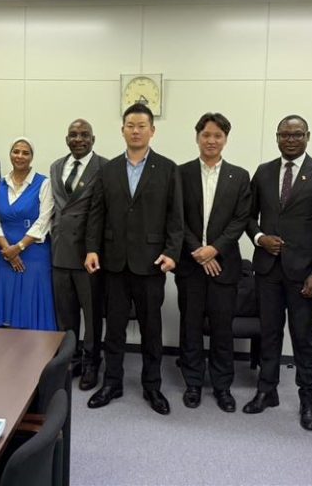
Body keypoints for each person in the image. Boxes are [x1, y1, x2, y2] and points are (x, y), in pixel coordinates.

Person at [85, 103, 183, 416]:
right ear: (123, 129)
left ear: (152, 130)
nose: (136, 130)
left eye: (142, 125)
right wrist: (91, 249)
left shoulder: (168, 169)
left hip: (152, 262)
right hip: (113, 262)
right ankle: (111, 382)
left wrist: (172, 252)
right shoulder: (108, 169)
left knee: (151, 329)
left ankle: (152, 386)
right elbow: (96, 213)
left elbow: (175, 217)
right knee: (113, 328)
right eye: (130, 125)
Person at [244, 114, 312, 431]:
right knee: (269, 334)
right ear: (276, 137)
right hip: (268, 270)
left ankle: (308, 401)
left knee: (302, 338)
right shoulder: (263, 172)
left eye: (296, 134)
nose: (290, 139)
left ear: (307, 136)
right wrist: (260, 238)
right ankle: (266, 390)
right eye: (284, 134)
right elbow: (248, 217)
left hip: (304, 274)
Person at [176, 113, 251, 411]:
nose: (211, 140)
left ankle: (222, 386)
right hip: (190, 264)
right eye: (206, 135)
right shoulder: (180, 174)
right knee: (190, 326)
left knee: (223, 328)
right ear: (197, 137)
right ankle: (193, 383)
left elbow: (240, 219)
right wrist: (198, 250)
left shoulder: (239, 175)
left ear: (225, 139)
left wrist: (214, 250)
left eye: (218, 135)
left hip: (225, 265)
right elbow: (176, 219)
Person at [50, 119, 108, 390]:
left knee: (92, 313)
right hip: (60, 251)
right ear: (66, 138)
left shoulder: (105, 167)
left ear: (93, 139)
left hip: (88, 253)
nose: (78, 139)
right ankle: (70, 359)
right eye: (73, 134)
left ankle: (91, 362)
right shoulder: (56, 167)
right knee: (66, 314)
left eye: (85, 135)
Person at [0, 137, 57, 331]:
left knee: (31, 307)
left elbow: (43, 221)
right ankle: (5, 359)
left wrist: (18, 248)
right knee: (6, 310)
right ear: (10, 154)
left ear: (32, 157)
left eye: (25, 153)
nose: (20, 156)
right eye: (16, 151)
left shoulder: (44, 184)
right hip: (4, 255)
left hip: (34, 255)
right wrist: (7, 250)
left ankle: (37, 358)